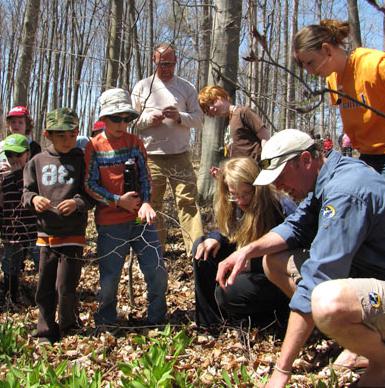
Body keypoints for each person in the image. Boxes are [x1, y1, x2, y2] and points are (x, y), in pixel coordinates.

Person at [216, 129, 385, 388]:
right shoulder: (329, 175)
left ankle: (384, 362)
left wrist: (281, 370)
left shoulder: (345, 191)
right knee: (273, 261)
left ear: (306, 160)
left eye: (281, 176)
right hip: (377, 274)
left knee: (328, 301)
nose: (277, 186)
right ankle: (357, 338)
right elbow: (295, 227)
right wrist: (246, 251)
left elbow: (319, 275)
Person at [84, 88, 167, 327]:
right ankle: (107, 321)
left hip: (140, 220)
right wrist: (117, 200)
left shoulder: (135, 143)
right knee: (109, 278)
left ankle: (156, 320)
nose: (122, 124)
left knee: (156, 270)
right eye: (115, 118)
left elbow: (145, 177)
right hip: (110, 223)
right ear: (104, 119)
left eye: (126, 118)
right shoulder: (94, 146)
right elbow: (89, 184)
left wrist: (147, 202)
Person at [193, 157, 292, 328]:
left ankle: (269, 320)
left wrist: (250, 264)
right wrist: (215, 238)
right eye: (234, 195)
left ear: (257, 187)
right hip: (247, 260)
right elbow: (230, 230)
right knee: (202, 248)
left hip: (273, 273)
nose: (240, 201)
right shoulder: (233, 202)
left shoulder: (279, 205)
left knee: (228, 291)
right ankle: (210, 323)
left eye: (246, 194)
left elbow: (292, 256)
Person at [23, 108, 92, 344]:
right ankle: (45, 329)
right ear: (47, 134)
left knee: (66, 285)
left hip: (73, 234)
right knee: (45, 285)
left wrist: (76, 202)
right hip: (46, 234)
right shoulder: (36, 161)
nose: (68, 140)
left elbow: (90, 193)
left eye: (72, 134)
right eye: (61, 135)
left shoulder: (82, 160)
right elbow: (26, 192)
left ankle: (69, 325)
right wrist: (34, 199)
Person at [293, 19, 385, 180]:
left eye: (310, 63)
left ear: (326, 50)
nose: (310, 71)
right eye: (305, 66)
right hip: (366, 157)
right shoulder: (333, 80)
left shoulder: (374, 66)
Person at [131, 42, 204, 256]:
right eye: (162, 63)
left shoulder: (186, 87)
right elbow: (131, 121)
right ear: (154, 60)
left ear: (176, 62)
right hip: (151, 156)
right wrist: (148, 120)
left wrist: (180, 117)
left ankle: (197, 252)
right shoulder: (142, 87)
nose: (166, 68)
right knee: (152, 204)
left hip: (180, 155)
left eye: (170, 64)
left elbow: (199, 119)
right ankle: (154, 251)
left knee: (188, 202)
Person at [0, 134, 38, 303]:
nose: (13, 159)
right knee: (10, 266)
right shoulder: (4, 180)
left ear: (27, 154)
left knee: (42, 262)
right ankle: (11, 296)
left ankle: (47, 296)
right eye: (9, 154)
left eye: (18, 154)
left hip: (34, 231)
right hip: (12, 232)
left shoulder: (35, 177)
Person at [198, 85, 270, 162]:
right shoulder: (227, 123)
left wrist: (266, 163)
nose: (211, 108)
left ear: (223, 96)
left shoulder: (243, 112)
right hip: (240, 170)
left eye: (212, 102)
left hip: (256, 167)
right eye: (207, 108)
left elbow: (265, 136)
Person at [0, 106, 41, 175]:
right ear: (8, 125)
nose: (16, 125)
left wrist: (18, 172)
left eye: (20, 122)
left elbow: (36, 172)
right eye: (13, 122)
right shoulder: (2, 145)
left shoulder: (34, 147)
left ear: (27, 125)